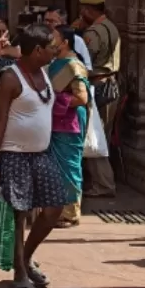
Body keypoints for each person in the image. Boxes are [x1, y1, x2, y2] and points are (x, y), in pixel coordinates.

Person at [0, 24, 72, 288]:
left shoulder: (45, 74)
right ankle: (20, 272)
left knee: (54, 207)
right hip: (14, 155)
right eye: (51, 48)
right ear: (37, 50)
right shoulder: (10, 79)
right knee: (19, 214)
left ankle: (25, 257)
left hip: (41, 154)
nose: (55, 51)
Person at [77, 0, 120, 197]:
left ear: (89, 10)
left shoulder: (93, 32)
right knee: (103, 134)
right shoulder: (111, 27)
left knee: (94, 135)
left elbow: (87, 57)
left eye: (83, 10)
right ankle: (102, 181)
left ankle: (103, 184)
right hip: (111, 82)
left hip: (99, 84)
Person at [49, 26, 91, 228]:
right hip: (57, 122)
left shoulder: (74, 66)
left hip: (69, 122)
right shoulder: (56, 63)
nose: (50, 41)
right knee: (57, 167)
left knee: (69, 167)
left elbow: (82, 98)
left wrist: (53, 101)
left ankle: (70, 212)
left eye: (54, 37)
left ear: (64, 42)